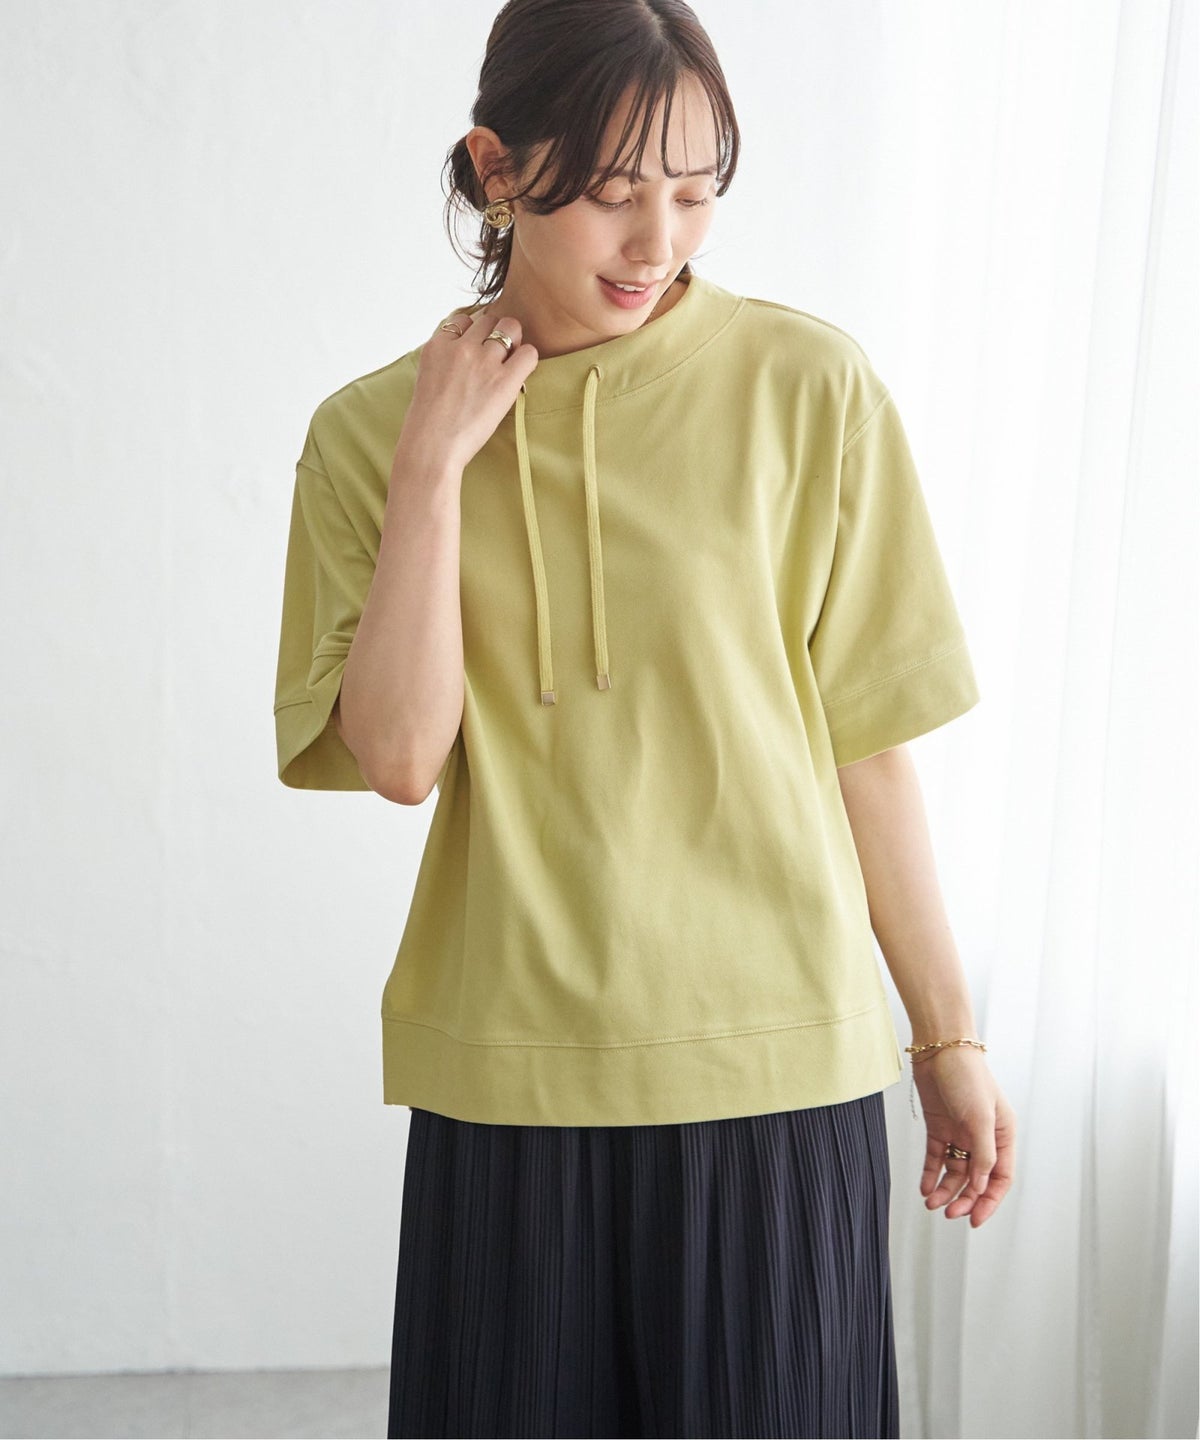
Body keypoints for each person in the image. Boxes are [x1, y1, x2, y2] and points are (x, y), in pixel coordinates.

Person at [272, 1, 1017, 1435]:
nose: (657, 241)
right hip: (509, 1081)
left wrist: (948, 1039)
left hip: (779, 1068)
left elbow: (868, 747)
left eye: (694, 191)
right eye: (614, 192)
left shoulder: (811, 391)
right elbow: (403, 758)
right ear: (497, 169)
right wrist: (434, 468)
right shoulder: (369, 437)